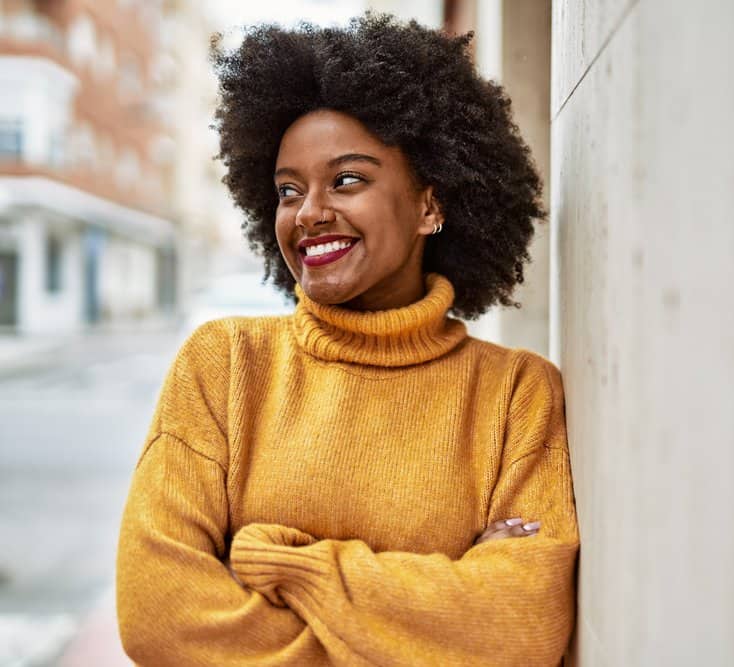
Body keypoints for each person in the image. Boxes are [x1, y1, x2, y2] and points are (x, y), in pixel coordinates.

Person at [115, 12, 580, 666]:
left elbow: (521, 626)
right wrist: (429, 611)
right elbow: (157, 613)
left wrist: (285, 564)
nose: (308, 212)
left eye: (348, 179)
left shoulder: (515, 393)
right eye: (287, 189)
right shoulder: (223, 366)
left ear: (429, 204)